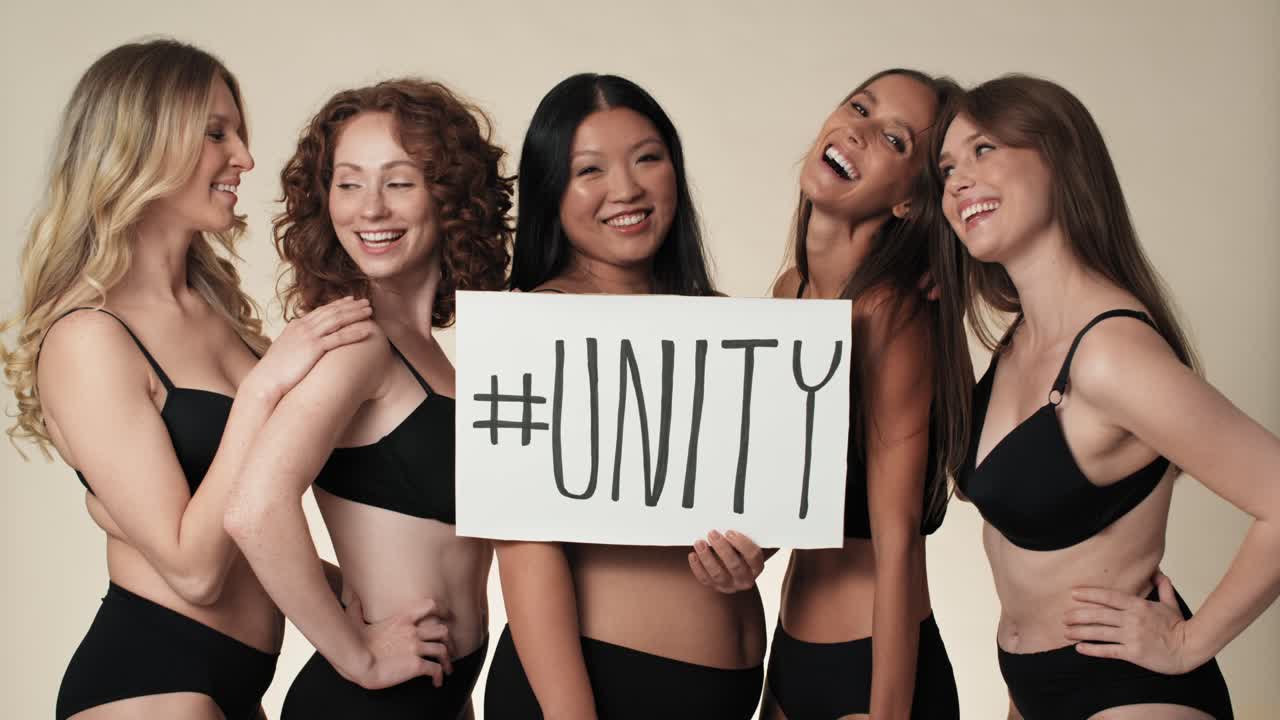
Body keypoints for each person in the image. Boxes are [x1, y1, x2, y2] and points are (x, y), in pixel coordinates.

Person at [2, 39, 375, 720]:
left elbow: (245, 522)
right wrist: (265, 391)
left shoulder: (222, 318)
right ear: (139, 147)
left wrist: (356, 598)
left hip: (236, 688)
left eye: (238, 132)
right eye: (215, 133)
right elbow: (195, 569)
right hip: (151, 682)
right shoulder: (91, 337)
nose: (244, 157)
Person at [934, 74, 1280, 719]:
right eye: (947, 166)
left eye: (984, 150)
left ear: (1060, 158)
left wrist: (1186, 644)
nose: (956, 180)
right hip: (1031, 689)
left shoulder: (1110, 354)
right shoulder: (1018, 342)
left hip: (1128, 695)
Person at [223, 78, 513, 719]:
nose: (370, 209)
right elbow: (253, 509)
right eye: (348, 183)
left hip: (437, 694)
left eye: (399, 182)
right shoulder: (357, 342)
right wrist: (359, 655)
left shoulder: (429, 354)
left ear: (449, 196)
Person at [484, 73, 765, 720]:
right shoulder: (533, 325)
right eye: (590, 170)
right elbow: (523, 547)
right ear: (551, 190)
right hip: (596, 692)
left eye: (647, 158)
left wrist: (756, 550)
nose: (627, 189)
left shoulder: (725, 324)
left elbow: (756, 497)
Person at [723, 68, 967, 720]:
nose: (858, 129)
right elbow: (804, 494)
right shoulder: (791, 290)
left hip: (874, 666)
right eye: (859, 106)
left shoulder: (893, 313)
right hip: (790, 654)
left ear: (911, 202)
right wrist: (750, 553)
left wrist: (888, 710)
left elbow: (896, 535)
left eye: (893, 139)